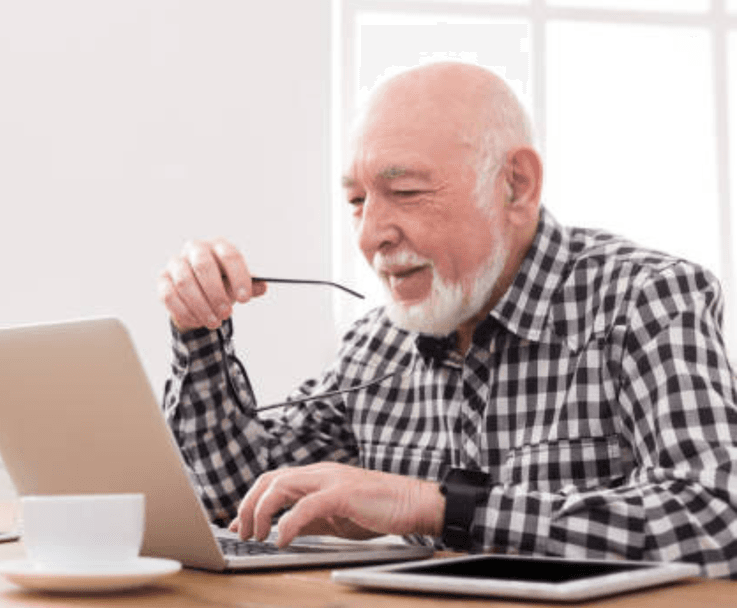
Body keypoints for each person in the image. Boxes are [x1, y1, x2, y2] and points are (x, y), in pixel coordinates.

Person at [156, 61, 737, 578]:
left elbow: (717, 520)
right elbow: (241, 499)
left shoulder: (646, 298)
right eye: (357, 201)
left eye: (405, 191)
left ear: (516, 185)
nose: (368, 236)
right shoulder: (376, 343)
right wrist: (200, 334)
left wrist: (432, 505)